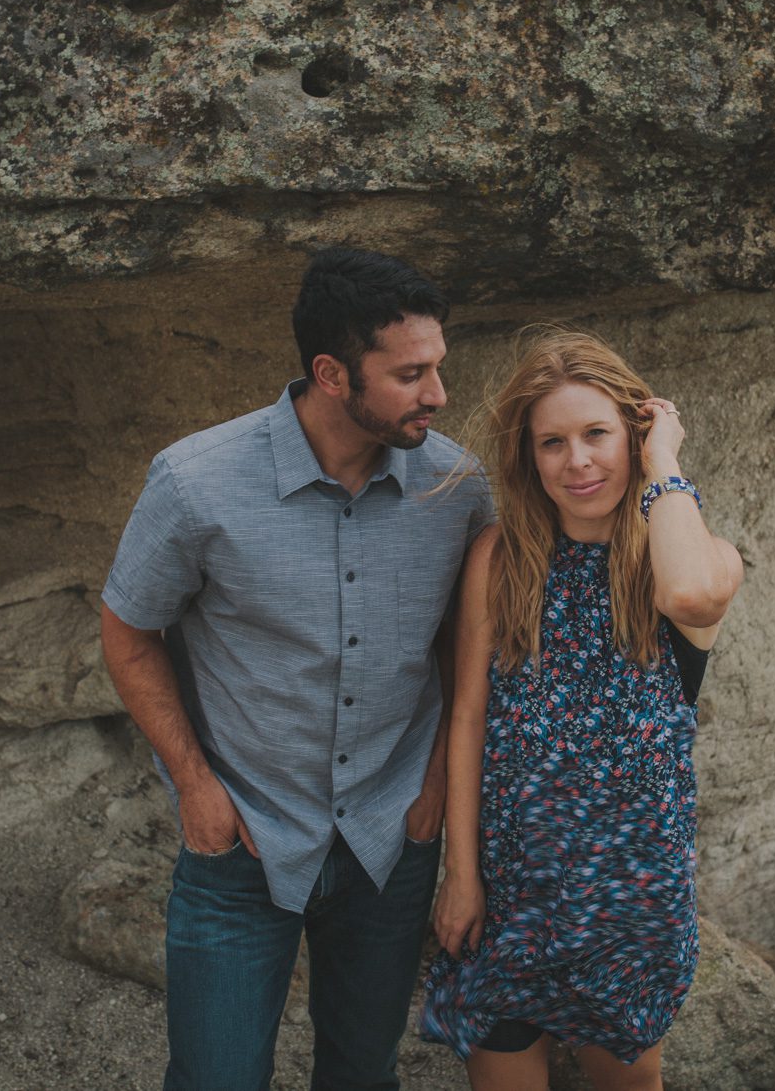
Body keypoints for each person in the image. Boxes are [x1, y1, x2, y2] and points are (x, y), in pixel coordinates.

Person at [99, 247, 493, 1091]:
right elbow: (128, 632)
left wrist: (431, 791)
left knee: (363, 1074)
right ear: (331, 373)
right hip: (241, 840)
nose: (439, 394)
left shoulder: (459, 488)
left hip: (393, 840)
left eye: (439, 367)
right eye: (413, 373)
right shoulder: (194, 482)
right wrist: (194, 783)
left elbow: (468, 657)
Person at [420, 330, 743, 1090]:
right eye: (552, 442)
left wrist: (663, 456)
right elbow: (467, 717)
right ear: (529, 457)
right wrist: (460, 873)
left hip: (629, 904)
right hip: (510, 891)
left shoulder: (696, 560)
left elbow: (691, 594)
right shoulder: (500, 559)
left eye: (598, 434)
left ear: (631, 434)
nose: (578, 461)